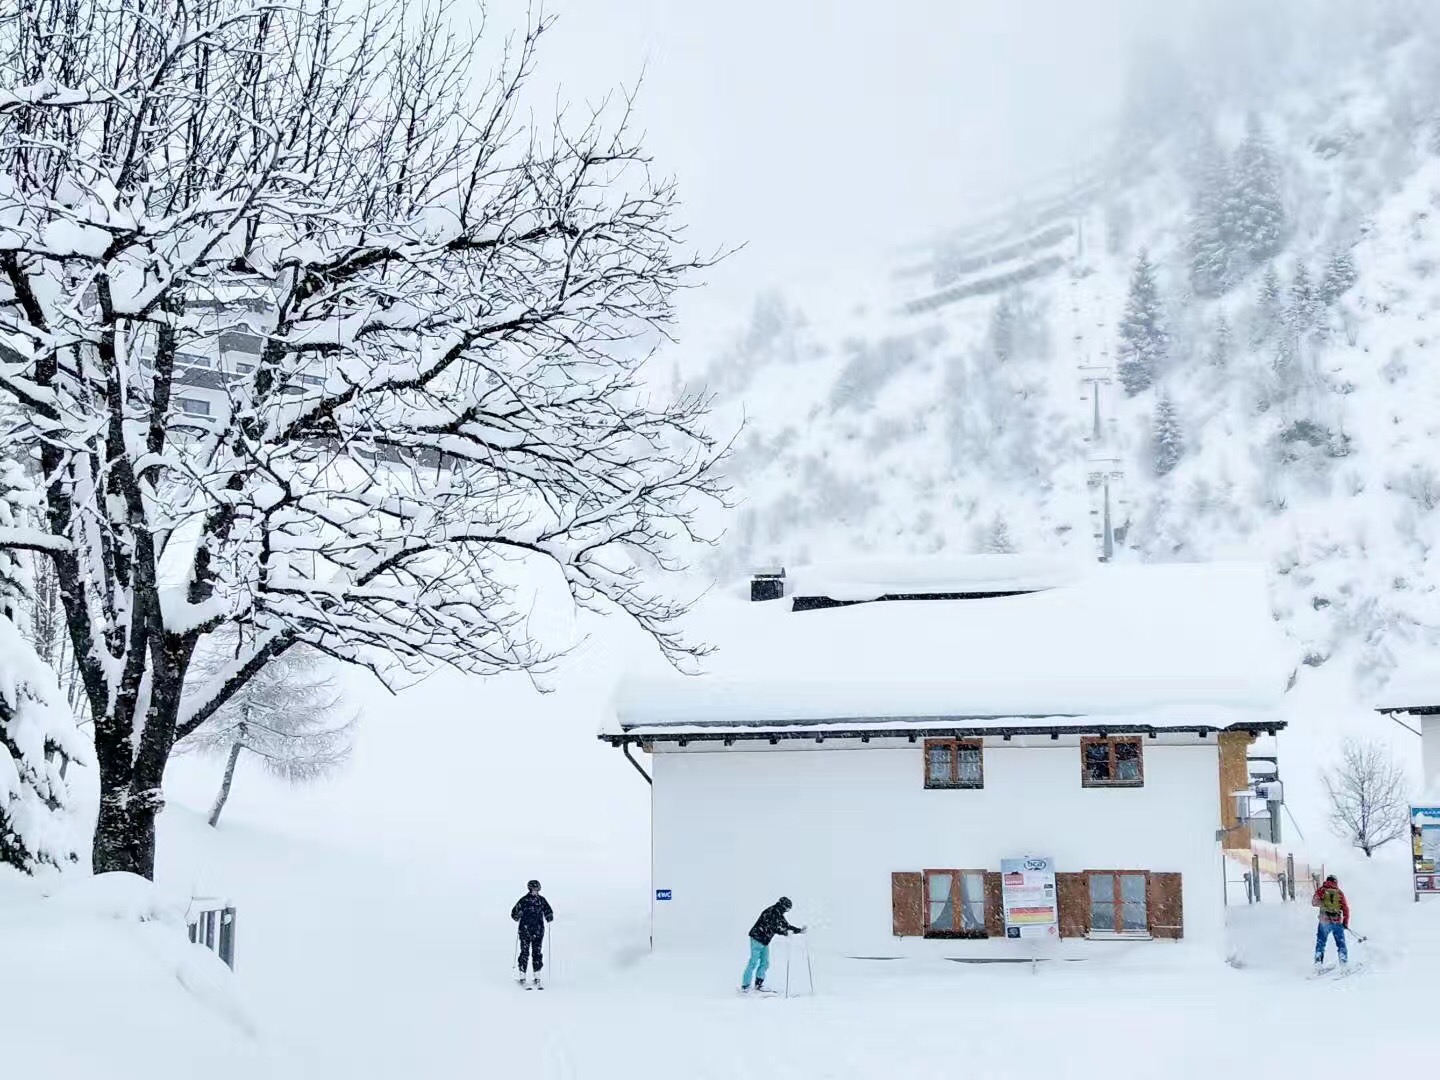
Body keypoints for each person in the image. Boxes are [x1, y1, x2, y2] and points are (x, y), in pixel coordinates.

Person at [740, 896, 805, 993]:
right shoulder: (771, 912)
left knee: (765, 963)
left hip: (764, 941)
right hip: (757, 938)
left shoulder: (778, 913)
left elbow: (786, 926)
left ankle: (759, 984)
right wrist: (785, 933)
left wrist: (799, 931)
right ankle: (745, 986)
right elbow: (775, 927)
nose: (787, 911)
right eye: (787, 909)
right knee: (753, 962)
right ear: (783, 906)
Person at [511, 879, 554, 986]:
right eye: (533, 889)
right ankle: (522, 976)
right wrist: (517, 914)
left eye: (537, 889)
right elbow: (514, 913)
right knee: (524, 953)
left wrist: (549, 915)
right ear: (529, 889)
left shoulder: (542, 900)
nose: (535, 891)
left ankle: (537, 976)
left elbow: (548, 910)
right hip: (525, 931)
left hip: (538, 931)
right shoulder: (523, 900)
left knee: (537, 953)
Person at [1312, 873, 1349, 967]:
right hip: (1336, 921)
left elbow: (1314, 902)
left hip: (1324, 921)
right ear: (1335, 882)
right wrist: (1345, 923)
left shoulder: (1322, 890)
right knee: (1341, 943)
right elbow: (1345, 909)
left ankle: (1318, 962)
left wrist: (1322, 903)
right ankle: (1343, 962)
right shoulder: (1339, 892)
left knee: (1321, 942)